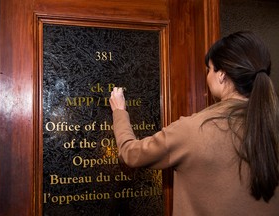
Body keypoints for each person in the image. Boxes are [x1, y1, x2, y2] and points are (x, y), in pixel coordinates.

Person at [109, 31, 279, 216]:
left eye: (209, 69)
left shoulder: (194, 130)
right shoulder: (272, 125)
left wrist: (119, 112)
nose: (207, 76)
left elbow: (131, 154)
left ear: (221, 75)